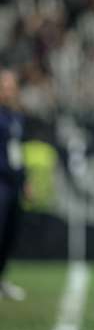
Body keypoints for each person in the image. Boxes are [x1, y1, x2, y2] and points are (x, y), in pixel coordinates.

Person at [0, 69, 26, 301]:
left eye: (11, 85)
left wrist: (24, 179)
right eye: (4, 85)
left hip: (13, 183)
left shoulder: (15, 115)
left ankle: (1, 279)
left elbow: (17, 152)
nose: (9, 90)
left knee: (10, 233)